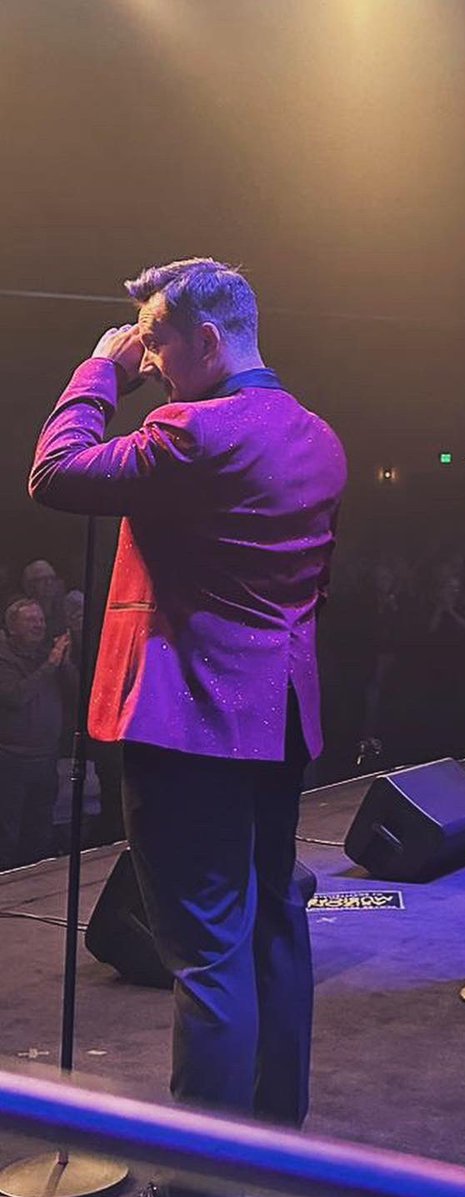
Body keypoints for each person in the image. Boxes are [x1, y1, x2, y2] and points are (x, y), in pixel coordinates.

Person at [29, 258, 347, 1138]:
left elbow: (53, 473)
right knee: (273, 928)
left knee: (207, 955)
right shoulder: (319, 436)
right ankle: (277, 1140)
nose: (150, 356)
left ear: (209, 339)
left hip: (189, 719)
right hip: (278, 715)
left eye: (159, 340)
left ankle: (202, 1173)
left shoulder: (190, 433)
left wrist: (101, 371)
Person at [0, 598, 74, 869]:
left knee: (40, 831)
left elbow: (77, 694)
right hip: (11, 761)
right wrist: (50, 666)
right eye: (31, 620)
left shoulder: (48, 655)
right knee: (8, 834)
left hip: (45, 758)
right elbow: (15, 697)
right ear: (12, 627)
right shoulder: (4, 658)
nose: (38, 625)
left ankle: (38, 893)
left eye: (41, 619)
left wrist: (64, 664)